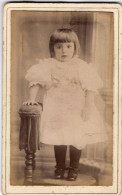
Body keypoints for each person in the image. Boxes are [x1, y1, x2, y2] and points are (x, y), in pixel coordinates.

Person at [23, 28, 107, 181]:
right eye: (59, 46)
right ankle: (59, 167)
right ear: (52, 48)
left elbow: (90, 88)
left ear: (75, 47)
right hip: (56, 109)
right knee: (59, 139)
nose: (64, 51)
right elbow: (36, 81)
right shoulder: (48, 65)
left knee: (77, 138)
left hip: (77, 109)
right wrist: (32, 98)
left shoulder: (80, 66)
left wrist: (88, 106)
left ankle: (74, 168)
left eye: (68, 46)